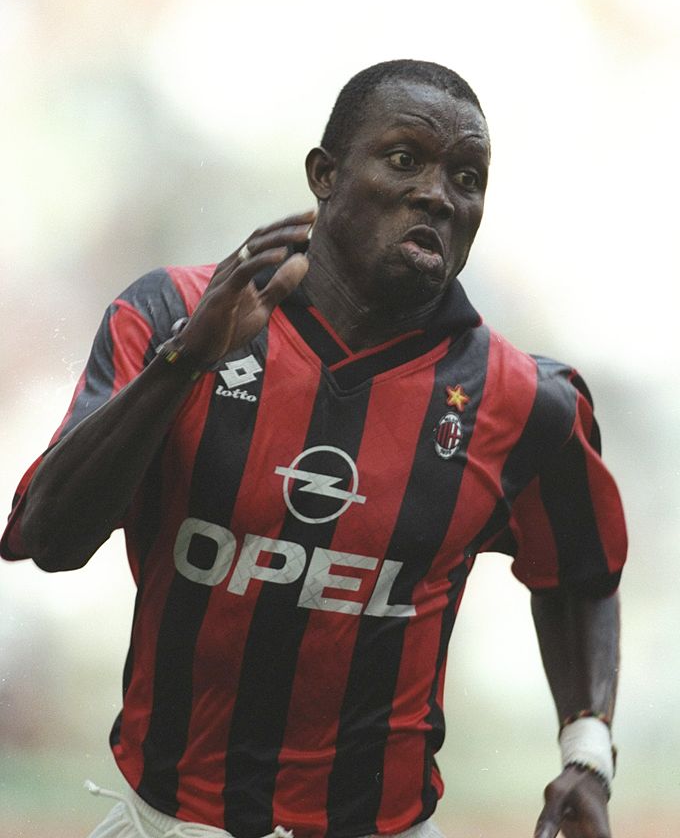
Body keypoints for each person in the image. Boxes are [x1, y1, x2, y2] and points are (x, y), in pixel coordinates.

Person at [2, 60, 627, 838]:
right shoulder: (172, 315)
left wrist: (586, 749)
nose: (439, 193)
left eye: (467, 177)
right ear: (324, 175)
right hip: (167, 822)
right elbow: (51, 540)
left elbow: (580, 573)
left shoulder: (525, 400)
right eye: (406, 159)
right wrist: (184, 362)